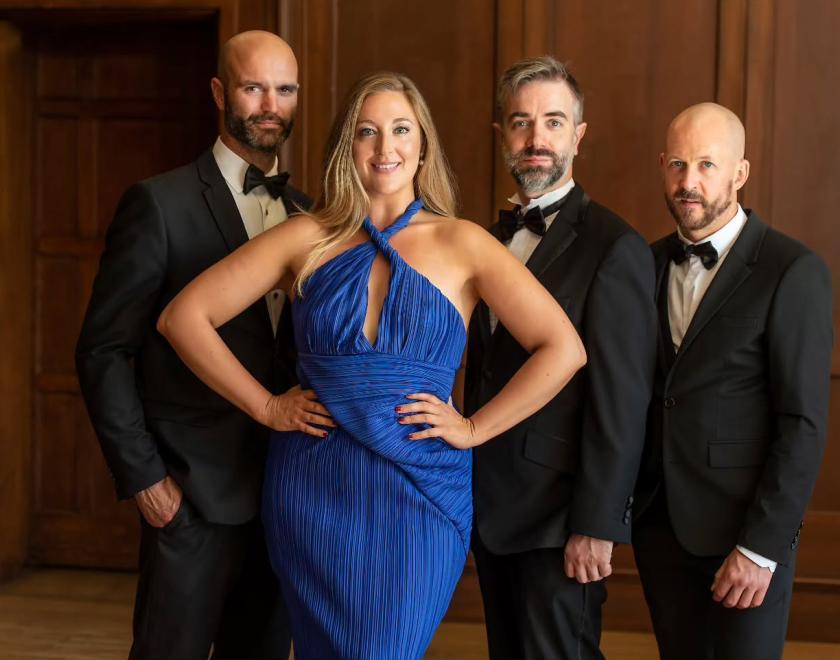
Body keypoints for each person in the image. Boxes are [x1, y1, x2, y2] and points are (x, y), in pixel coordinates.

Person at [156, 71, 586, 658]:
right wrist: (267, 406)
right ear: (347, 146)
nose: (386, 147)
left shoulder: (463, 243)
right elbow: (183, 317)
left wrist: (473, 428)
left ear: (423, 144)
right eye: (367, 131)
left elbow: (563, 348)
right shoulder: (305, 237)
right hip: (313, 487)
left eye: (401, 129)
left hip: (421, 493)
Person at [75, 31, 313, 660]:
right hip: (188, 497)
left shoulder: (312, 215)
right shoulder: (158, 203)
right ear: (219, 92)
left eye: (284, 89)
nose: (270, 105)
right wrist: (146, 479)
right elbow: (103, 351)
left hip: (283, 500)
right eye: (253, 87)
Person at [463, 56, 657, 659]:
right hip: (489, 507)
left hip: (561, 518)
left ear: (578, 135)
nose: (536, 138)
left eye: (553, 122)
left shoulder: (615, 247)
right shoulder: (485, 240)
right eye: (521, 122)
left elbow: (622, 403)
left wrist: (597, 524)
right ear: (501, 135)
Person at [632, 102, 833, 659]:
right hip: (660, 529)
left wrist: (761, 548)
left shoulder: (792, 271)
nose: (688, 183)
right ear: (662, 166)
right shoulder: (643, 264)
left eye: (707, 165)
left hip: (745, 536)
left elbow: (802, 423)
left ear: (739, 173)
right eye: (677, 165)